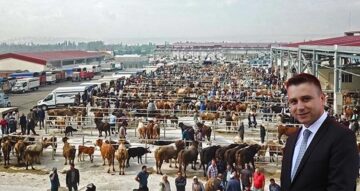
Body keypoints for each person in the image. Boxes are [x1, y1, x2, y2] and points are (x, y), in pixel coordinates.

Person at [281, 73, 358, 190]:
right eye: (293, 101)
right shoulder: (292, 139)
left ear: (322, 99)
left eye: (306, 99)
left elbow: (340, 187)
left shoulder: (342, 137)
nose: (300, 107)